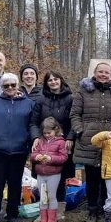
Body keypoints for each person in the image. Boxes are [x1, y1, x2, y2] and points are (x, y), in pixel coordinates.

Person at [69, 62, 111, 222]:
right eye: (100, 71)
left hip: (110, 141)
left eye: (106, 72)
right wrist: (80, 130)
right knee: (92, 178)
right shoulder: (83, 91)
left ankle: (105, 208)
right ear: (94, 73)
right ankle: (92, 210)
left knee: (107, 177)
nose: (103, 75)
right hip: (88, 140)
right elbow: (74, 114)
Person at [0, 72, 35, 222]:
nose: (10, 88)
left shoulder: (28, 103)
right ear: (2, 87)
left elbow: (33, 125)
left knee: (15, 184)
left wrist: (28, 141)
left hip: (19, 150)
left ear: (18, 85)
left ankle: (12, 215)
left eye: (13, 85)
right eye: (6, 85)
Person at [29, 71, 75, 208]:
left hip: (62, 142)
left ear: (61, 80)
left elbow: (75, 120)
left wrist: (71, 137)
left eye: (56, 79)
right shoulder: (41, 100)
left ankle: (59, 208)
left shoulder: (70, 99)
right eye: (50, 80)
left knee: (59, 175)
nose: (53, 82)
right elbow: (33, 122)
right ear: (46, 83)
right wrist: (36, 137)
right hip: (43, 142)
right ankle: (43, 208)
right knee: (42, 174)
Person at [30, 117, 69, 222]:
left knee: (51, 196)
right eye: (45, 133)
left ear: (55, 129)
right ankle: (43, 219)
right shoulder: (40, 141)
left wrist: (51, 158)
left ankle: (52, 219)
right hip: (41, 173)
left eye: (49, 132)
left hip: (53, 174)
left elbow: (63, 157)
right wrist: (36, 157)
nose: (47, 135)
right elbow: (33, 154)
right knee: (43, 197)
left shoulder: (61, 142)